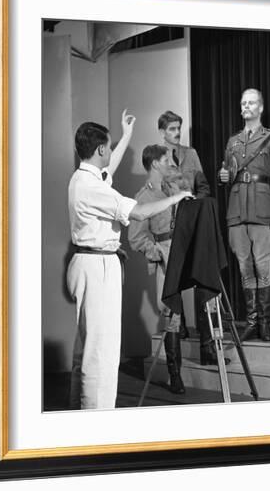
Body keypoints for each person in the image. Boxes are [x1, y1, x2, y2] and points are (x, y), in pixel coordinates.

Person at [67, 112, 192, 410]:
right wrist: (177, 198)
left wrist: (125, 137)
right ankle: (97, 423)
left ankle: (78, 414)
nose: (110, 153)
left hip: (92, 262)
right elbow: (137, 213)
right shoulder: (91, 187)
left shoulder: (84, 177)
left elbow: (109, 167)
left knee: (87, 346)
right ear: (99, 150)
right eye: (108, 147)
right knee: (102, 351)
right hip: (97, 267)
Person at [218, 88, 270, 342]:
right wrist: (223, 177)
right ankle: (251, 322)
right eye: (243, 103)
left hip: (262, 211)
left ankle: (265, 322)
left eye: (252, 103)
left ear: (260, 107)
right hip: (237, 211)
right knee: (245, 268)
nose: (247, 106)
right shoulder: (233, 141)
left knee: (263, 267)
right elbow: (228, 173)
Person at [128, 146, 186, 394]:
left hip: (185, 251)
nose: (169, 163)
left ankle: (208, 350)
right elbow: (136, 238)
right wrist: (159, 254)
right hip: (166, 253)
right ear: (154, 164)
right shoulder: (143, 197)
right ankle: (176, 375)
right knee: (172, 314)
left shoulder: (172, 189)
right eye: (165, 160)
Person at [158, 110, 211, 338]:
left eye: (179, 128)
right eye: (172, 129)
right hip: (170, 228)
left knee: (201, 277)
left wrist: (197, 205)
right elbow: (156, 195)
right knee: (174, 279)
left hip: (193, 224)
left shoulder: (191, 154)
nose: (177, 132)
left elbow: (204, 187)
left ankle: (205, 334)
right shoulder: (157, 157)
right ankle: (178, 330)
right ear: (162, 131)